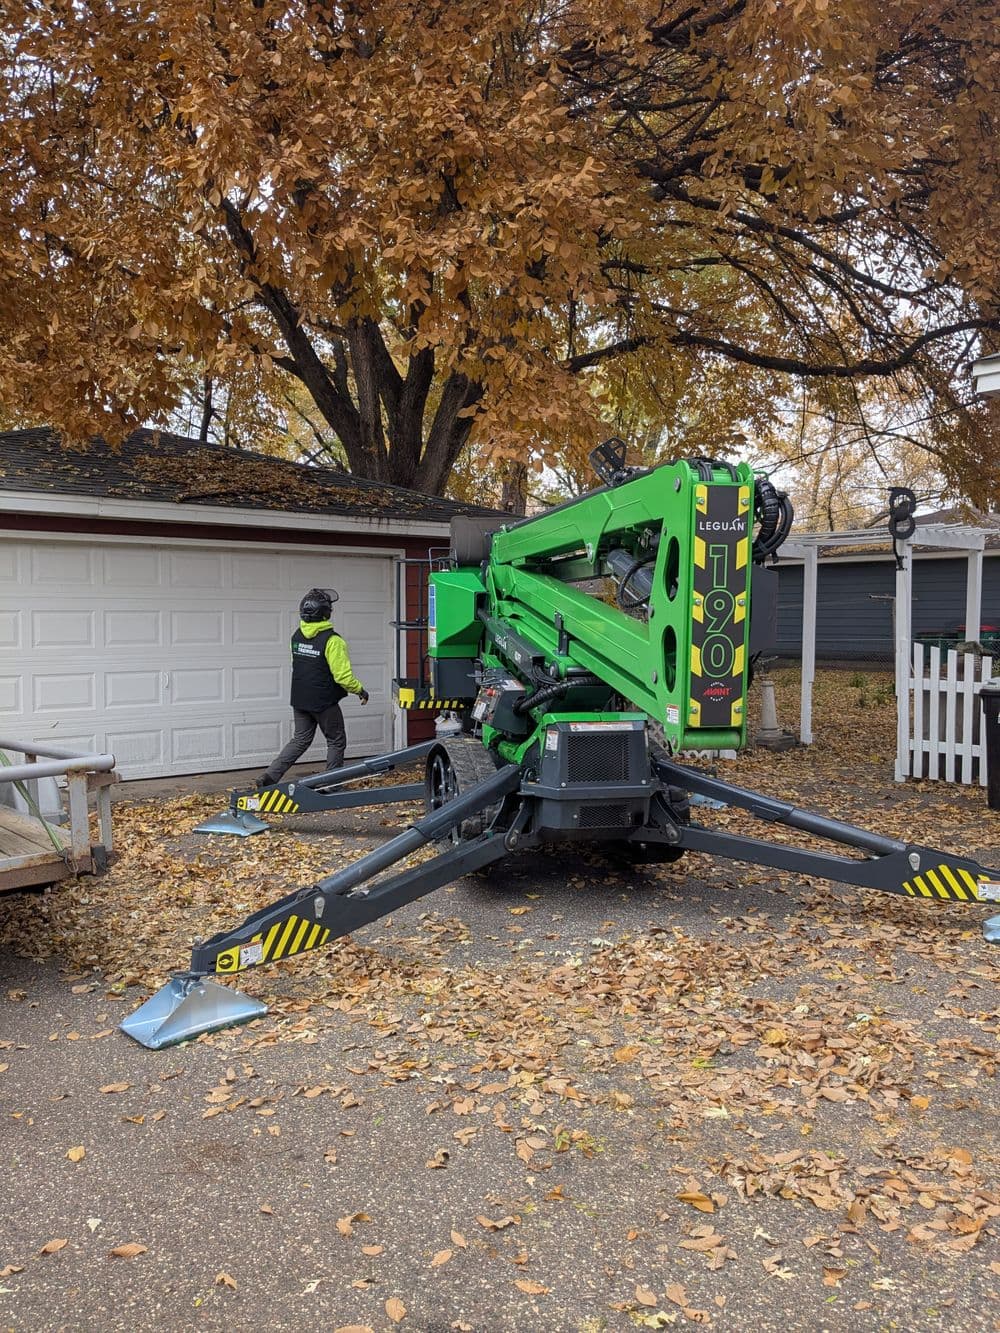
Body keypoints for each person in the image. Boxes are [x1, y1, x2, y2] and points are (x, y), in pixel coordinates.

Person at [258, 587, 368, 786]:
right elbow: (342, 676)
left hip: (300, 698)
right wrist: (359, 689)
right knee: (336, 739)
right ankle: (331, 783)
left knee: (300, 740)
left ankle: (269, 777)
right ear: (326, 614)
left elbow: (297, 664)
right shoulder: (333, 641)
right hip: (323, 701)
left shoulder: (297, 636)